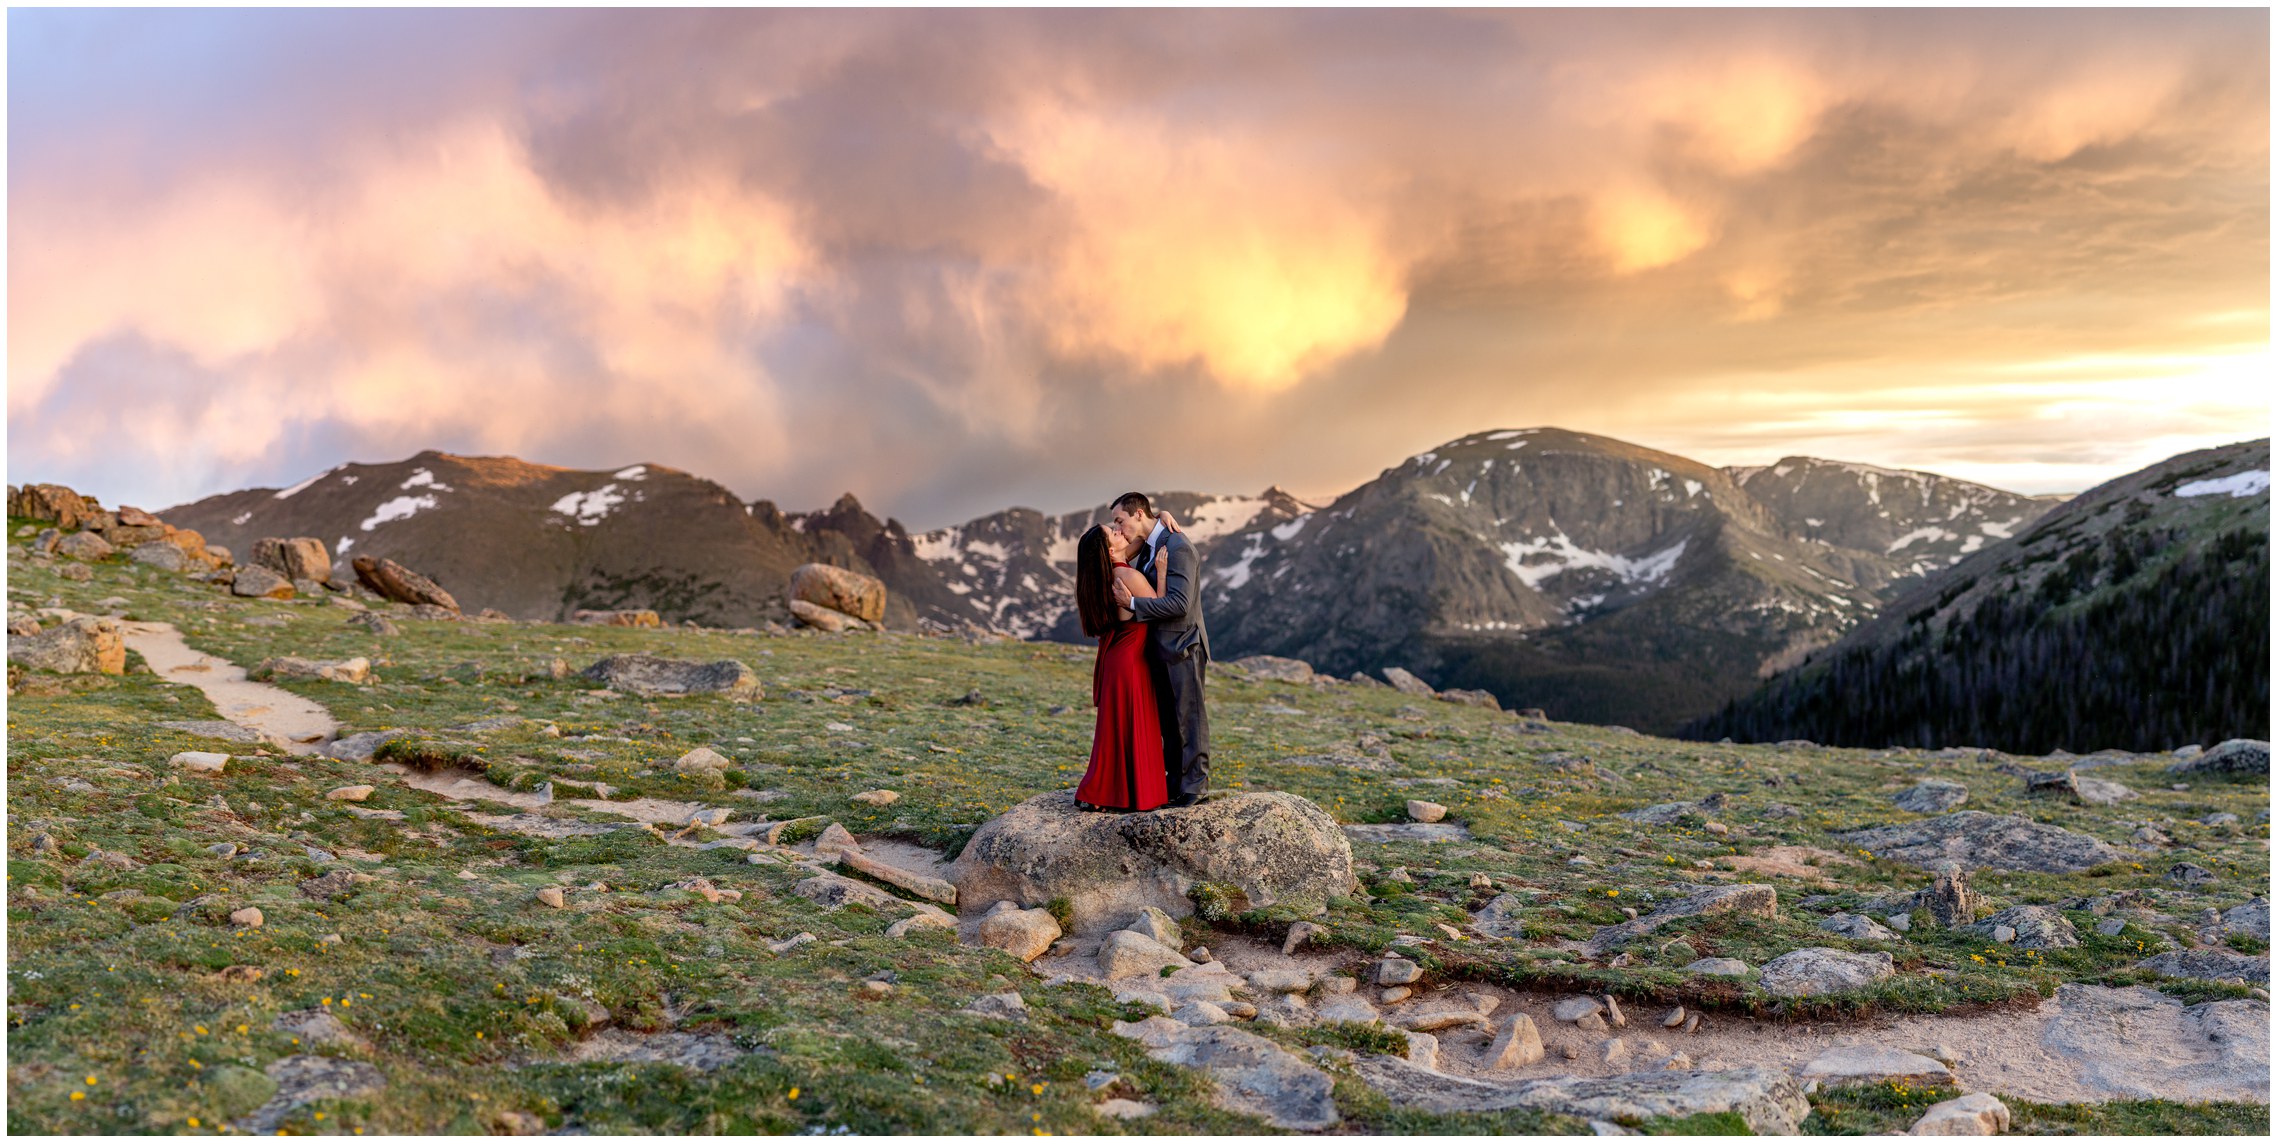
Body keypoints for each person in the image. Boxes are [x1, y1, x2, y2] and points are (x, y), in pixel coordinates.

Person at [1109, 492, 1211, 807]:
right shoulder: (1152, 544)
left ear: (1138, 514)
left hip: (1183, 645)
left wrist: (1132, 604)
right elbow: (1125, 548)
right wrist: (1162, 513)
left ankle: (1195, 787)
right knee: (1168, 720)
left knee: (1188, 717)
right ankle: (1175, 784)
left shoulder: (1179, 547)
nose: (1117, 526)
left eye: (1119, 520)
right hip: (1159, 649)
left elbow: (1180, 604)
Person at [1070, 521, 1170, 812]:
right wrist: (1161, 573)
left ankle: (1104, 791)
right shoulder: (1127, 574)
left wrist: (1160, 517)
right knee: (1131, 726)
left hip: (1116, 659)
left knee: (1115, 731)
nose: (1119, 530)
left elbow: (1136, 541)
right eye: (1112, 532)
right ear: (1108, 548)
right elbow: (1160, 609)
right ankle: (1129, 793)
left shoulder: (1104, 574)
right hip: (1130, 662)